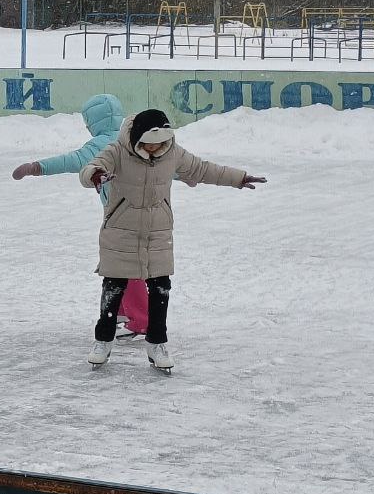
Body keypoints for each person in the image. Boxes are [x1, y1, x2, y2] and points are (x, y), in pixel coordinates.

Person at [79, 108, 267, 371]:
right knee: (113, 286)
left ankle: (157, 343)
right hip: (120, 231)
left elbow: (202, 169)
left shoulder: (172, 153)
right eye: (149, 145)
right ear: (136, 138)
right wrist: (95, 176)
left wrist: (239, 178)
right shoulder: (118, 151)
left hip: (158, 233)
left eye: (160, 145)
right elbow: (91, 167)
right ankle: (103, 340)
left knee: (160, 289)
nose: (155, 150)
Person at [11, 93, 151, 334]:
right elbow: (160, 163)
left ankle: (140, 320)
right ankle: (120, 312)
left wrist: (37, 167)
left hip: (123, 216)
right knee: (118, 264)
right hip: (142, 211)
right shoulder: (134, 138)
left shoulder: (99, 146)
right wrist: (186, 174)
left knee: (126, 265)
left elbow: (71, 161)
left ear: (93, 122)